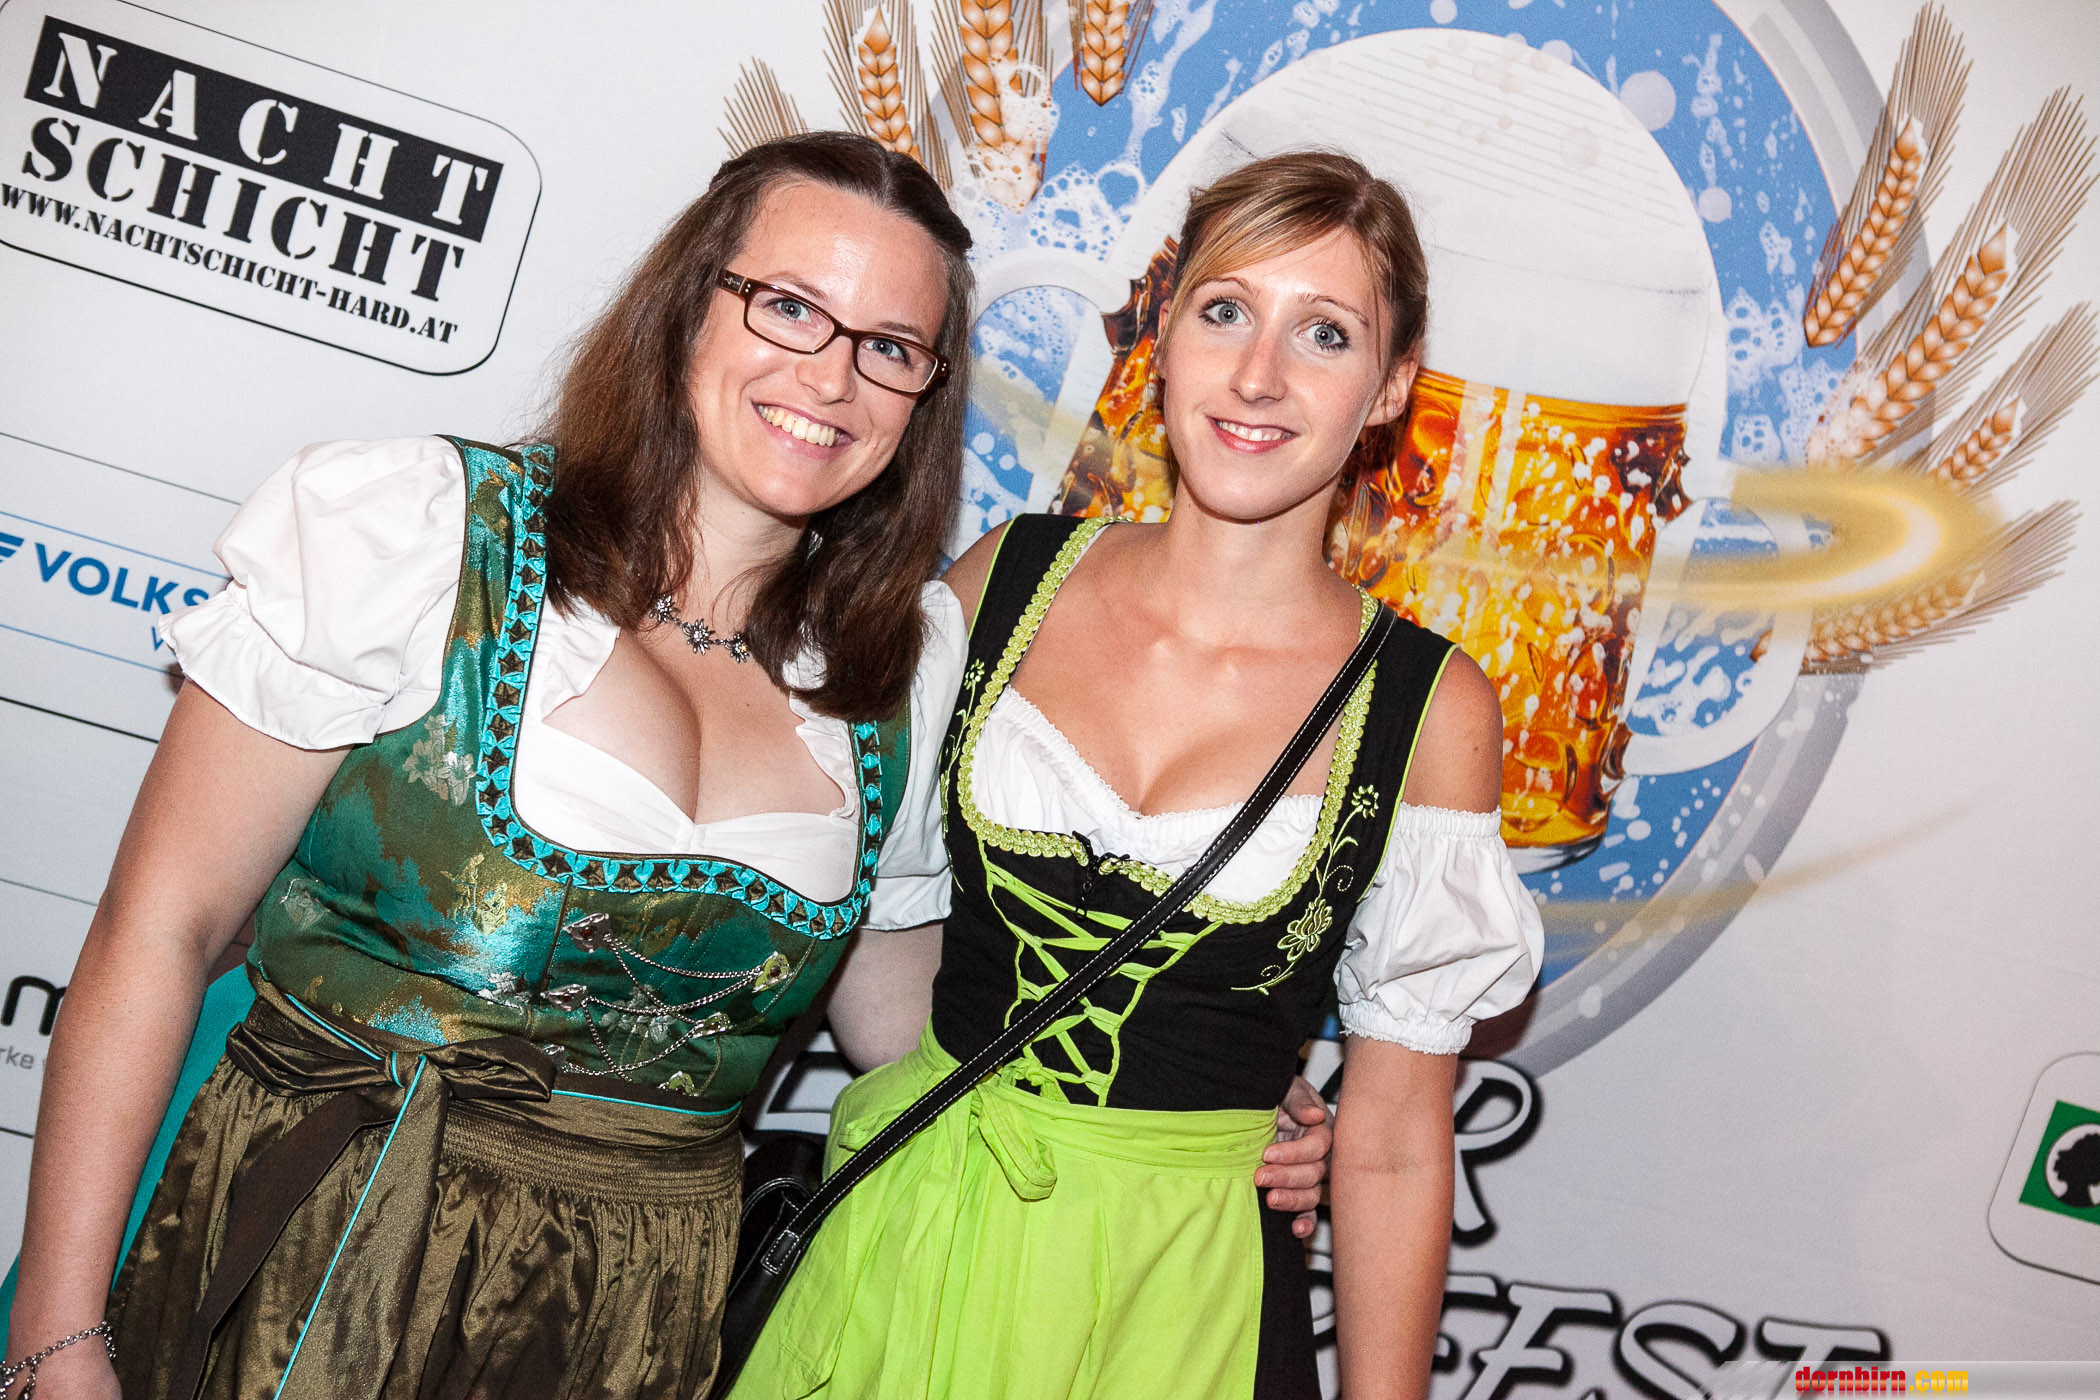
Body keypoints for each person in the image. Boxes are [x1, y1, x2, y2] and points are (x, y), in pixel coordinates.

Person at [1, 132, 1334, 1400]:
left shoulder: (901, 672)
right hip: (313, 1242)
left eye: (889, 347)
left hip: (630, 1316)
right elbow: (159, 930)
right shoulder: (422, 531)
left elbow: (914, 1030)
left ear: (925, 395)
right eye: (790, 309)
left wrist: (1198, 1083)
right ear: (691, 304)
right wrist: (57, 1333)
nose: (831, 378)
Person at [726, 151, 1546, 1400]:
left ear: (1390, 386)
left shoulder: (1430, 707)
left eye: (1324, 333)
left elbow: (1390, 1144)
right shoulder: (1002, 579)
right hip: (910, 1234)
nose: (1259, 375)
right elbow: (872, 909)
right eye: (1225, 311)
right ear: (1162, 335)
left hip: (1179, 1297)